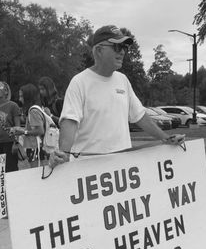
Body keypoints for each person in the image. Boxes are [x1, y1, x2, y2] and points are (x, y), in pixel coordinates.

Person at [50, 25, 185, 168]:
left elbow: (140, 116)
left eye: (124, 48)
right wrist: (63, 154)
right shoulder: (79, 82)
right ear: (99, 50)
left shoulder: (123, 81)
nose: (122, 52)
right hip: (88, 171)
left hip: (121, 169)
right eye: (117, 47)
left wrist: (165, 138)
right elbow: (70, 122)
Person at [12, 84, 47, 166]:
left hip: (35, 148)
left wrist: (24, 132)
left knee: (37, 174)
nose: (20, 99)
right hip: (35, 147)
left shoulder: (33, 111)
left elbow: (40, 130)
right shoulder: (35, 108)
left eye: (21, 96)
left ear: (28, 97)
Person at [0, 82, 21, 172]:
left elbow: (17, 127)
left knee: (10, 170)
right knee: (1, 172)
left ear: (6, 91)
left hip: (9, 143)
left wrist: (16, 143)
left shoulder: (13, 105)